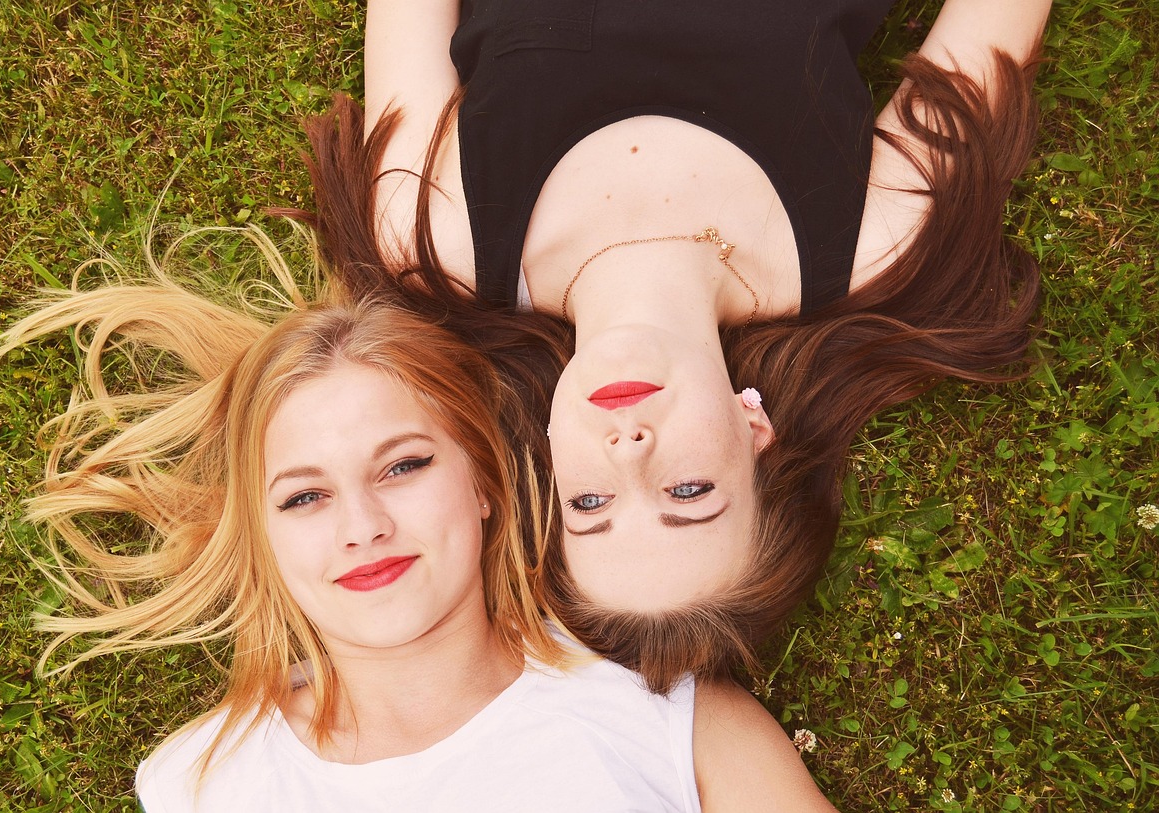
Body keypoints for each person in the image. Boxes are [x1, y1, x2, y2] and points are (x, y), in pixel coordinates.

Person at [279, 0, 1054, 693]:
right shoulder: (872, 247)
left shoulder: (433, 239)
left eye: (591, 503)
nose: (629, 449)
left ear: (547, 463)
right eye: (688, 493)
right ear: (757, 434)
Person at [0, 232, 837, 811]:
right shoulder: (203, 785)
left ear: (483, 482)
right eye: (304, 497)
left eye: (402, 466)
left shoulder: (668, 719)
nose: (361, 525)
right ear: (264, 537)